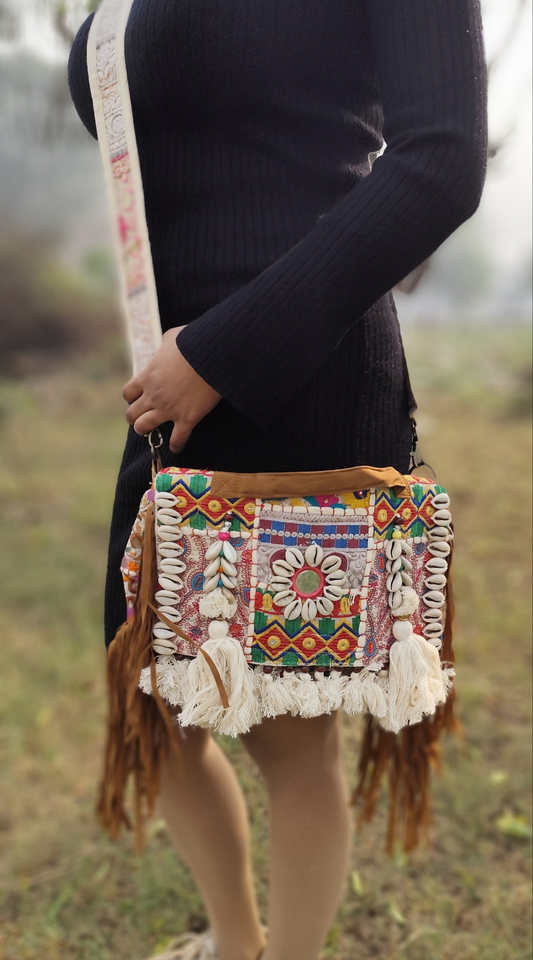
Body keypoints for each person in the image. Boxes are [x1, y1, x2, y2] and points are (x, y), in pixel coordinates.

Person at [68, 1, 487, 957]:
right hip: (169, 397)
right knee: (149, 703)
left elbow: (442, 161)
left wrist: (220, 352)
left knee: (288, 734)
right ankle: (237, 939)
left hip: (299, 379)